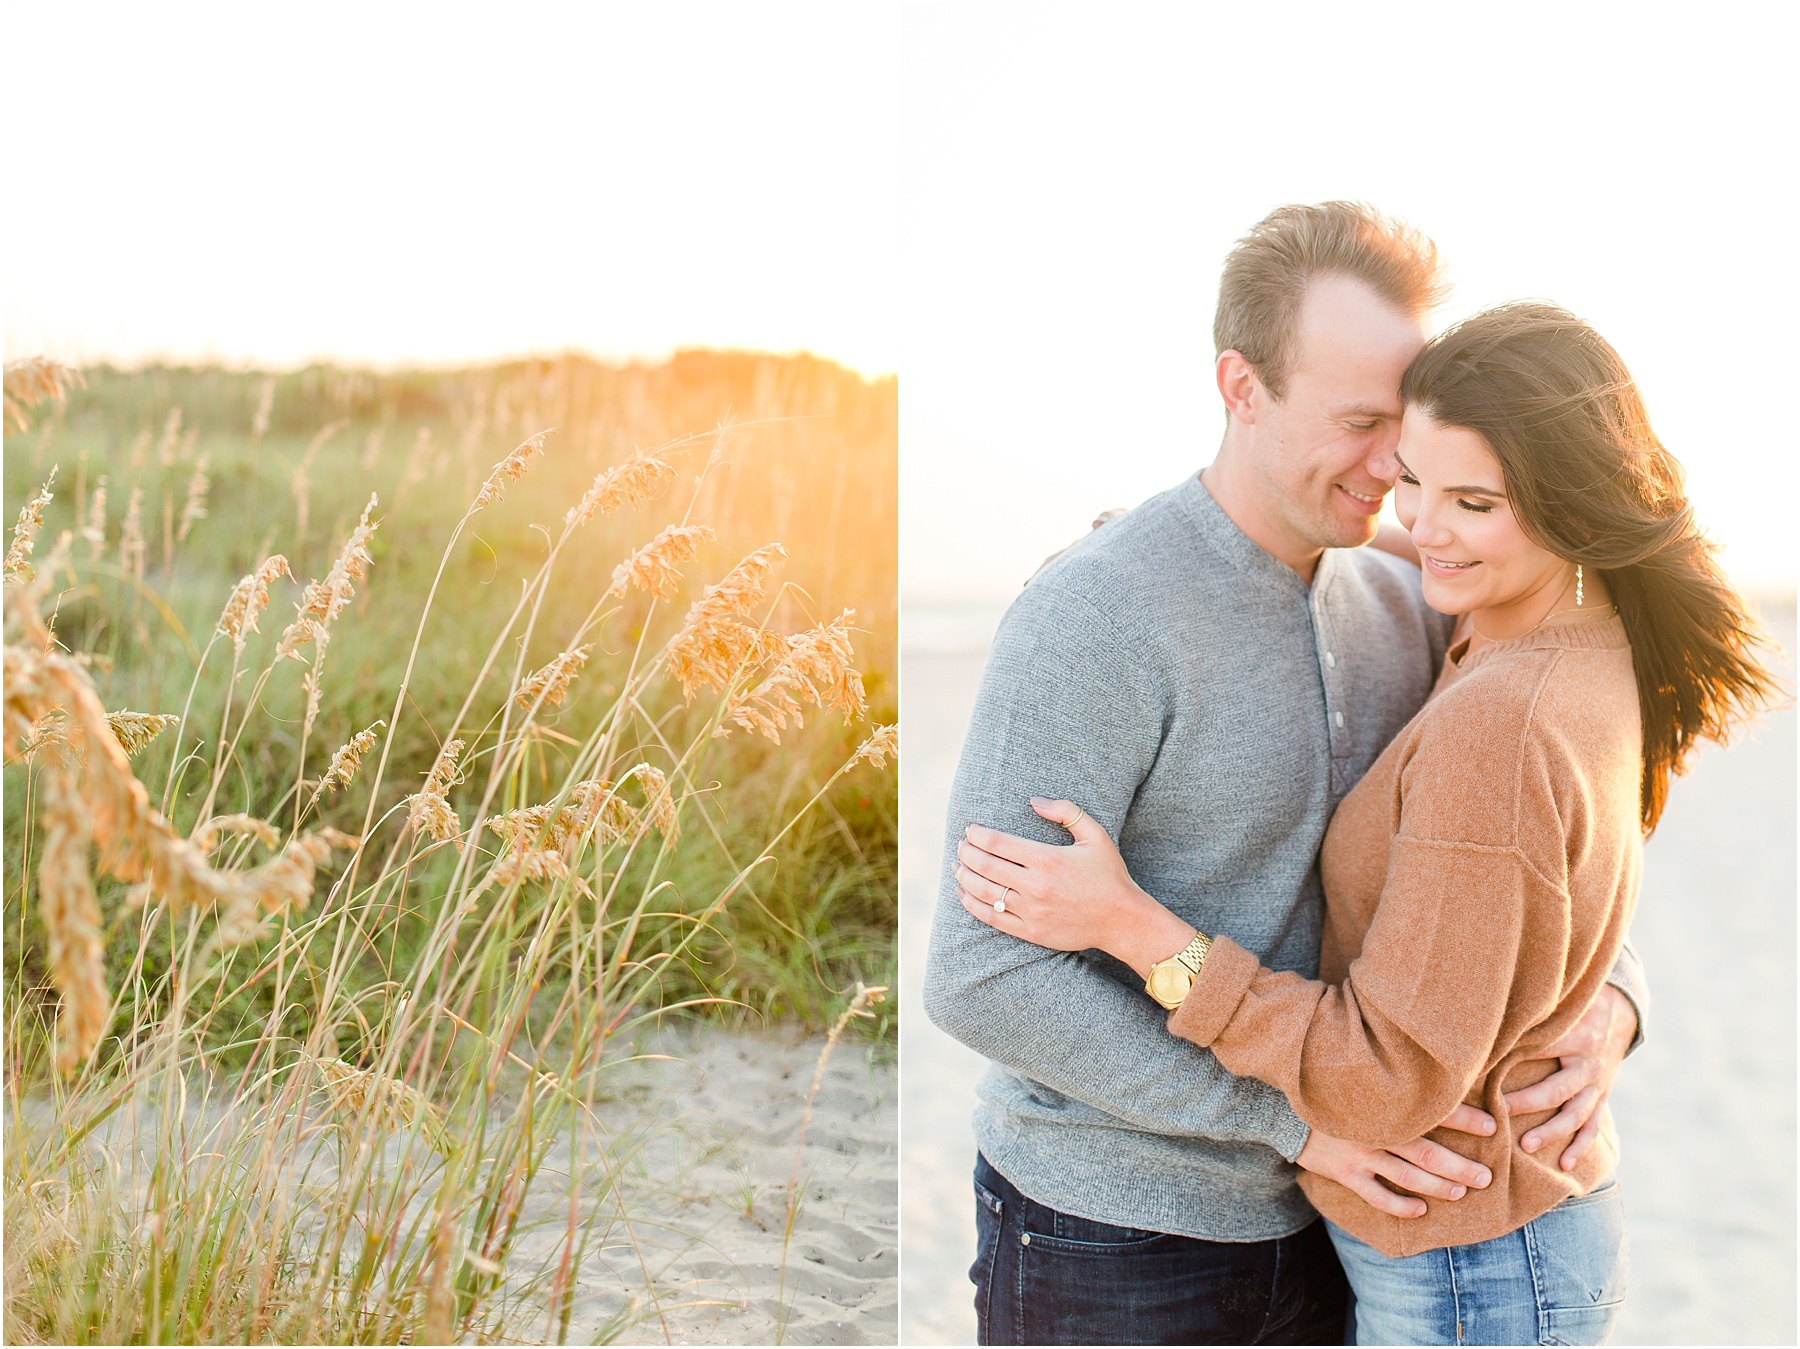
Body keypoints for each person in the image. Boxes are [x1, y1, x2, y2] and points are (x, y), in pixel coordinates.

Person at [953, 302, 1780, 1344]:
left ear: (1573, 504)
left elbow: (1387, 1074)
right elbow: (1544, 876)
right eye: (1413, 479)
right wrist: (1173, 546)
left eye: (1472, 499)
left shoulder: (1503, 707)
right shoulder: (1555, 627)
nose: (1426, 523)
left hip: (1464, 1253)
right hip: (1450, 1231)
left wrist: (1135, 927)